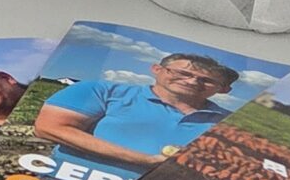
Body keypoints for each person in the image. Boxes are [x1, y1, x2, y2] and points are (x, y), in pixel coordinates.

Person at [35, 51, 240, 167]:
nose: (192, 81)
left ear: (224, 89)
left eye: (206, 80)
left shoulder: (229, 123)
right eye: (181, 73)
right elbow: (50, 128)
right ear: (157, 70)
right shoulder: (101, 90)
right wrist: (148, 160)